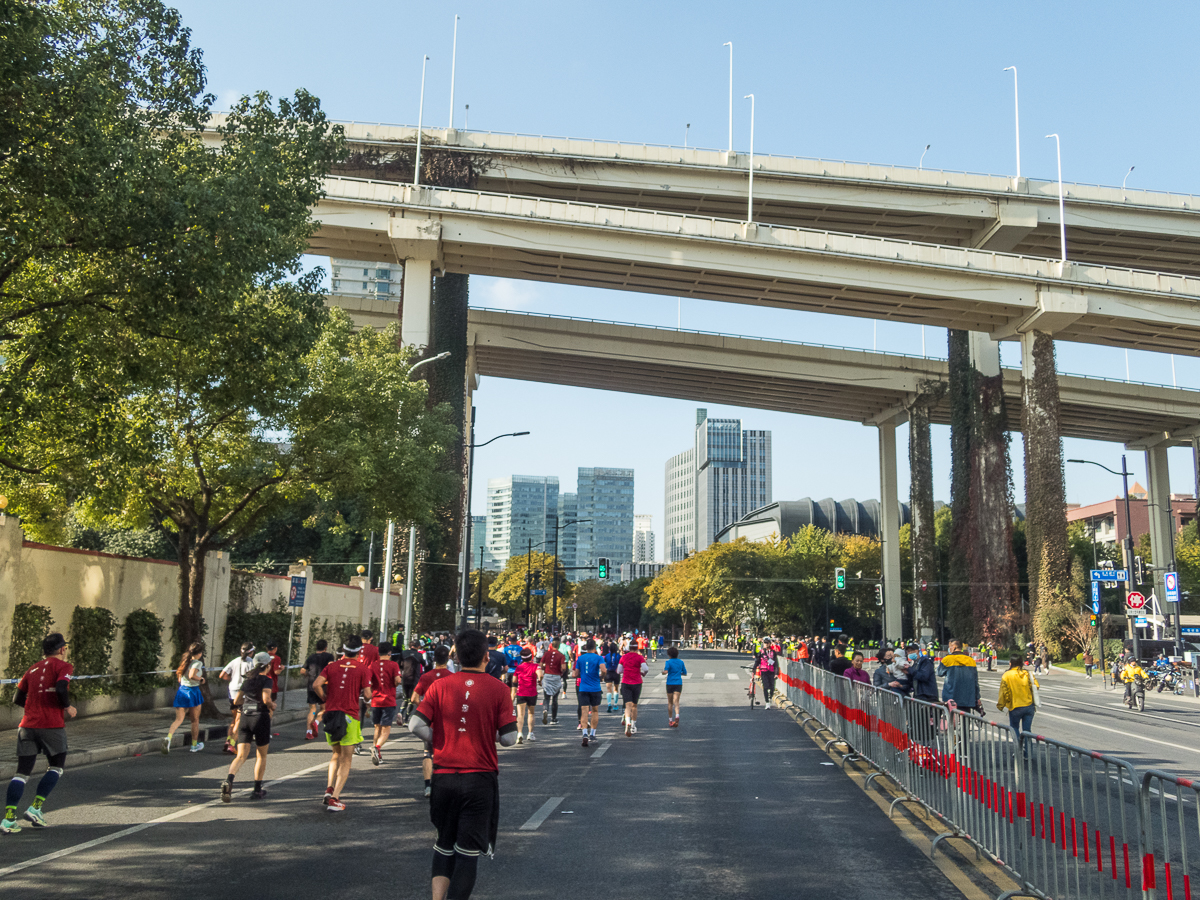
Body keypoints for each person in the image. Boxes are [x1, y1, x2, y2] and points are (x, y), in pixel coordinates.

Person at [408, 630, 518, 900]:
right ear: (486, 656)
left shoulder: (440, 685)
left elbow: (415, 724)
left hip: (443, 777)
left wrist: (441, 738)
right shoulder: (500, 690)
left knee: (443, 845)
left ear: (456, 655)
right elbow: (509, 738)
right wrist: (484, 732)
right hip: (478, 780)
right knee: (467, 853)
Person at [3, 633, 76, 833]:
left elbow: (17, 697)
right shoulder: (64, 666)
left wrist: (33, 707)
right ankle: (35, 808)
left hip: (27, 725)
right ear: (62, 649)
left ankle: (9, 819)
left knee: (21, 773)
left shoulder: (32, 669)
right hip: (51, 725)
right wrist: (68, 707)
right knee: (56, 766)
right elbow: (61, 688)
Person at [311, 635, 376, 812]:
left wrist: (325, 698)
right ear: (359, 651)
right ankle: (335, 798)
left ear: (343, 649)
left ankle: (329, 788)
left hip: (331, 715)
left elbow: (316, 684)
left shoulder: (331, 666)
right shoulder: (363, 669)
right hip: (350, 716)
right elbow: (368, 695)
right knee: (346, 759)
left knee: (335, 755)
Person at [222, 651, 275, 801]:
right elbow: (266, 698)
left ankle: (228, 781)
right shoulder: (267, 680)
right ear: (268, 666)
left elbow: (238, 700)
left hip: (245, 717)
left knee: (240, 756)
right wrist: (272, 705)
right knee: (261, 755)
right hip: (260, 717)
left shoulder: (248, 679)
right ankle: (257, 790)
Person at [412, 644, 453, 797]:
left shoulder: (426, 676)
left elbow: (414, 698)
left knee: (427, 753)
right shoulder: (451, 676)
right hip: (448, 721)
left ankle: (428, 786)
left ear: (434, 658)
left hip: (430, 722)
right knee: (445, 753)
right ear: (448, 658)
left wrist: (426, 708)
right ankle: (443, 784)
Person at [163, 641, 207, 754]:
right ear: (200, 653)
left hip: (182, 691)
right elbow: (192, 675)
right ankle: (194, 745)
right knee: (195, 720)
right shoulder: (197, 663)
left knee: (178, 720)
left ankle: (168, 738)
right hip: (193, 692)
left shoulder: (184, 662)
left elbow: (179, 678)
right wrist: (201, 679)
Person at [219, 642, 256, 755]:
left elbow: (222, 675)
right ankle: (232, 744)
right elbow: (254, 678)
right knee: (239, 720)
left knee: (234, 719)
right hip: (243, 692)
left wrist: (233, 679)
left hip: (232, 691)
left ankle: (227, 741)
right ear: (251, 652)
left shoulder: (234, 661)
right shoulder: (251, 663)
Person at [370, 641, 402, 765]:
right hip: (388, 699)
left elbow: (370, 682)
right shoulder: (394, 665)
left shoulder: (373, 665)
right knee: (386, 728)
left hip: (375, 700)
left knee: (377, 727)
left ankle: (376, 751)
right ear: (390, 652)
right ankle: (377, 748)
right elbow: (397, 680)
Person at [996, 654, 1040, 736]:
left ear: (1010, 663)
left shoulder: (1007, 675)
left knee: (1014, 728)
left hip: (1015, 706)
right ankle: (1028, 748)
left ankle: (1018, 748)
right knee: (1027, 731)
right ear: (1021, 663)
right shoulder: (1027, 673)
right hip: (1029, 706)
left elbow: (1004, 692)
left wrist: (1001, 705)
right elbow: (1036, 686)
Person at [572, 639, 604, 747]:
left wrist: (582, 675)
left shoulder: (580, 658)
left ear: (586, 647)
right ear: (595, 647)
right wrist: (602, 677)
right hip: (595, 688)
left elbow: (576, 673)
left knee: (584, 711)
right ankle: (593, 734)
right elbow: (604, 670)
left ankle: (584, 733)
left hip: (583, 688)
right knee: (595, 710)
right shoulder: (599, 658)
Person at [303, 639, 335, 740]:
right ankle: (316, 722)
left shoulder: (311, 657)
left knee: (312, 710)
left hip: (311, 685)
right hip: (323, 685)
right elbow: (331, 667)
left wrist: (310, 675)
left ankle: (308, 732)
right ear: (325, 647)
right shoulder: (329, 656)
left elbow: (302, 670)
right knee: (324, 709)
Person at [938, 639, 981, 713]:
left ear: (954, 647)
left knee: (951, 721)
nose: (949, 649)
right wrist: (977, 698)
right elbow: (975, 681)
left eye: (950, 647)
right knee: (965, 721)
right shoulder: (970, 660)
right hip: (967, 698)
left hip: (950, 698)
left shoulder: (947, 660)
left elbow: (939, 673)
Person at [618, 640, 648, 736]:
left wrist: (626, 670)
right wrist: (643, 673)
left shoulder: (624, 657)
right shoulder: (640, 657)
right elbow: (646, 668)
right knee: (634, 705)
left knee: (628, 705)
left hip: (626, 682)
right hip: (637, 682)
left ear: (629, 647)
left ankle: (627, 723)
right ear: (637, 648)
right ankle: (634, 725)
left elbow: (619, 671)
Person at [513, 648, 540, 744]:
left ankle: (519, 733)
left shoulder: (519, 667)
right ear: (531, 657)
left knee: (520, 714)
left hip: (521, 692)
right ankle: (530, 733)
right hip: (532, 692)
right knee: (531, 713)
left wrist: (513, 694)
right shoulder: (536, 666)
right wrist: (540, 680)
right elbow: (540, 674)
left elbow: (514, 681)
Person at [538, 639, 566, 726]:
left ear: (551, 645)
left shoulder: (546, 654)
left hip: (547, 675)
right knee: (555, 698)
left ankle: (545, 709)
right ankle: (553, 718)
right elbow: (563, 667)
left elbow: (541, 664)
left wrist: (544, 669)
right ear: (558, 646)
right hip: (556, 676)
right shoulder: (561, 655)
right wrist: (561, 672)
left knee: (546, 696)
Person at [400, 639, 427, 721]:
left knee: (405, 698)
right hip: (414, 679)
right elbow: (425, 664)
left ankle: (400, 713)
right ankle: (406, 719)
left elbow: (399, 664)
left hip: (405, 678)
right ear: (418, 646)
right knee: (412, 699)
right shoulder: (419, 655)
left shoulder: (403, 653)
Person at [662, 645, 687, 726]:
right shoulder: (681, 662)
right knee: (676, 702)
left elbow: (666, 671)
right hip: (678, 683)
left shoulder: (668, 662)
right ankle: (677, 716)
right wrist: (679, 673)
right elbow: (685, 673)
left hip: (669, 683)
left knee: (670, 702)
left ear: (669, 655)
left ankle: (670, 720)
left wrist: (663, 672)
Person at [754, 641, 778, 705]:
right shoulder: (761, 652)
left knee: (772, 687)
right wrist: (754, 668)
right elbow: (757, 661)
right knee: (766, 686)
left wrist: (776, 673)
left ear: (770, 644)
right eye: (765, 643)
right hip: (764, 671)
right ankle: (767, 702)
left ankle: (770, 698)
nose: (766, 644)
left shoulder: (773, 652)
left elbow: (776, 663)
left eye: (767, 643)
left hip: (771, 671)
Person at [602, 642, 621, 712]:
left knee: (608, 689)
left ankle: (609, 704)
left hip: (608, 673)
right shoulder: (618, 656)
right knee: (616, 689)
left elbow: (604, 664)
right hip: (616, 673)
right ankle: (615, 704)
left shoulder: (607, 656)